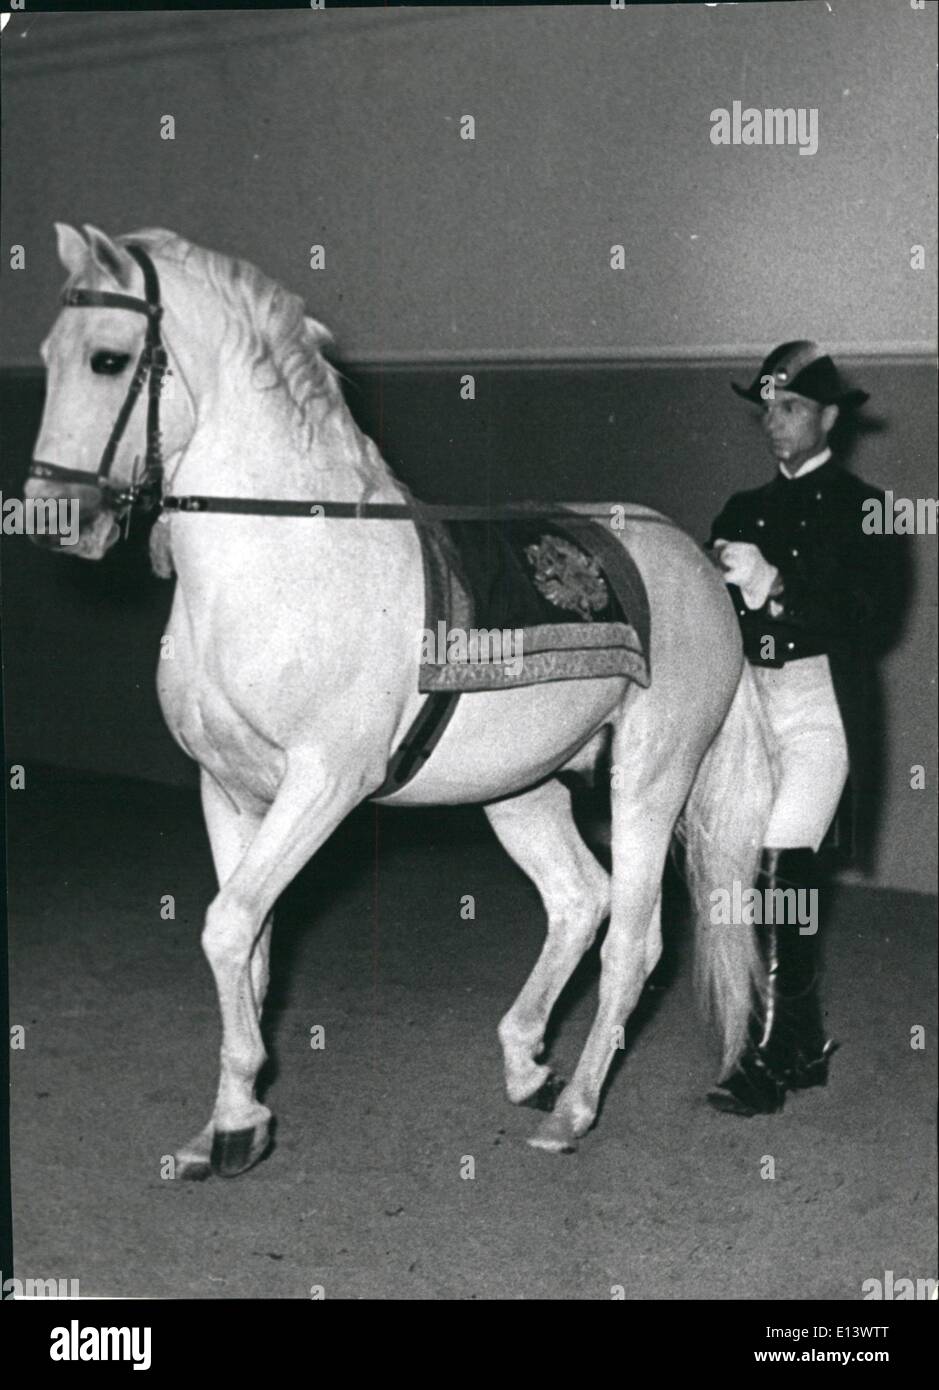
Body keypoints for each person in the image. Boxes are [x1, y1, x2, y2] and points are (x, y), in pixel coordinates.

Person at [706, 340, 906, 1116]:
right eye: (766, 408)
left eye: (788, 407)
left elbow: (872, 623)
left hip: (821, 707)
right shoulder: (739, 508)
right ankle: (801, 1043)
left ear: (827, 417)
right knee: (754, 878)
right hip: (752, 707)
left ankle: (766, 1059)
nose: (773, 422)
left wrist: (777, 586)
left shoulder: (869, 510)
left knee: (782, 870)